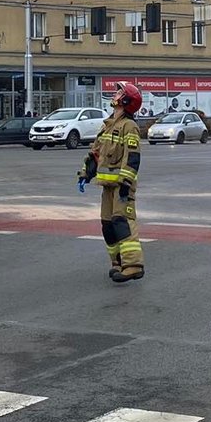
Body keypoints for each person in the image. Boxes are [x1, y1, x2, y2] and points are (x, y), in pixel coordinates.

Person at [80, 81, 145, 283]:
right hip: (107, 186)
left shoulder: (129, 126)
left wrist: (126, 182)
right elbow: (96, 153)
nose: (114, 95)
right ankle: (117, 263)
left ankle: (133, 266)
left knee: (122, 221)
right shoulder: (108, 125)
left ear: (126, 100)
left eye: (118, 92)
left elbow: (132, 157)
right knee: (108, 225)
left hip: (122, 186)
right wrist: (86, 173)